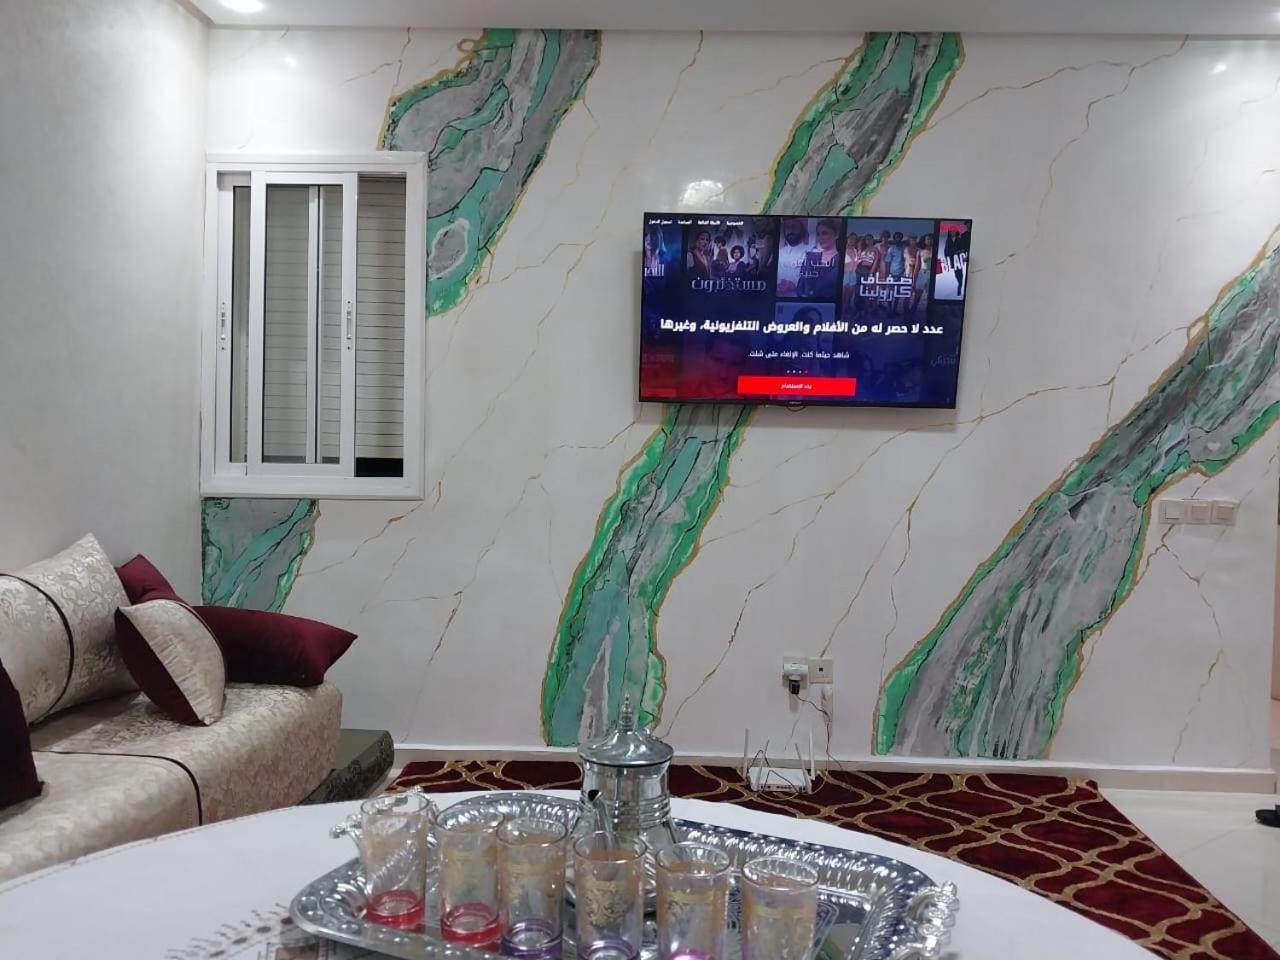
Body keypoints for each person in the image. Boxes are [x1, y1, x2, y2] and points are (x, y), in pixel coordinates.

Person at [798, 218, 841, 299]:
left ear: (836, 235)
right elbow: (800, 287)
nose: (820, 238)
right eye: (818, 234)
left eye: (824, 233)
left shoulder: (840, 261)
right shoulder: (809, 257)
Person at [777, 218, 809, 295]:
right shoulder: (780, 253)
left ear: (802, 229)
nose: (790, 230)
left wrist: (795, 285)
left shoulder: (812, 251)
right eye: (787, 227)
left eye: (794, 226)